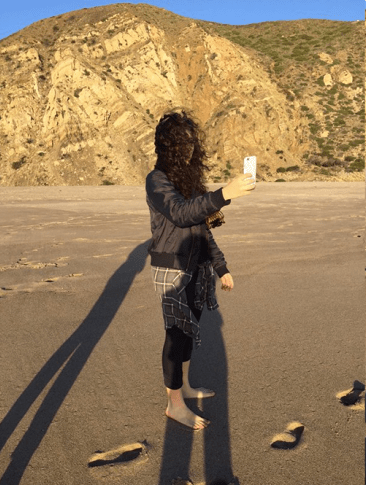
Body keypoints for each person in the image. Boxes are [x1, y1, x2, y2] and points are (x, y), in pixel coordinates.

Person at [146, 110, 255, 429]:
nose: (190, 149)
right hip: (171, 269)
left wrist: (222, 268)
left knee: (190, 331)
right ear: (168, 146)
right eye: (183, 143)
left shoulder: (186, 181)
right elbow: (180, 214)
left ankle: (187, 387)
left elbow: (203, 228)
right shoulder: (157, 180)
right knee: (175, 335)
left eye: (192, 142)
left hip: (197, 267)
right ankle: (174, 404)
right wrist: (224, 194)